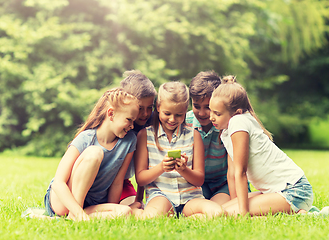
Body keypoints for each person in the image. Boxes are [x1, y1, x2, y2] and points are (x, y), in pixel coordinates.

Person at [209, 75, 313, 217]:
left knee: (219, 215)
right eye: (211, 111)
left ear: (237, 112)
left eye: (217, 113)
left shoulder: (238, 122)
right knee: (218, 211)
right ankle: (297, 213)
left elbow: (241, 172)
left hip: (294, 191)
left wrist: (242, 214)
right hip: (276, 191)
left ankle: (299, 212)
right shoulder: (227, 131)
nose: (211, 117)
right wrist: (236, 206)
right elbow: (232, 174)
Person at [43, 88, 140, 221]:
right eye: (129, 119)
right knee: (95, 153)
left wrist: (112, 207)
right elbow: (58, 183)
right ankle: (76, 214)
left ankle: (77, 217)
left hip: (93, 204)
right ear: (111, 113)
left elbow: (117, 183)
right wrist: (77, 210)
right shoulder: (86, 138)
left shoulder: (129, 141)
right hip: (64, 201)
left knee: (125, 212)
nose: (132, 126)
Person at [134, 81, 224, 219]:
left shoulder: (194, 135)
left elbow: (199, 180)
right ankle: (174, 215)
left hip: (190, 197)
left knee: (217, 212)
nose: (172, 119)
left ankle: (187, 217)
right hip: (161, 195)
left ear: (185, 110)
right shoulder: (145, 136)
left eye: (179, 115)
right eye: (167, 113)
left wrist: (183, 170)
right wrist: (161, 167)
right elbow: (140, 179)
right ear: (158, 107)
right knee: (150, 217)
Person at [186, 71, 231, 205]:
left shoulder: (227, 124)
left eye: (207, 107)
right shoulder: (184, 123)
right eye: (196, 106)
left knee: (218, 208)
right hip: (197, 185)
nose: (201, 113)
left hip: (225, 183)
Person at [119, 70, 157, 208]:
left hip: (123, 183)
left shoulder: (151, 123)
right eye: (140, 108)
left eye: (150, 107)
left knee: (136, 208)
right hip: (104, 181)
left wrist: (139, 199)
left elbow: (144, 166)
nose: (145, 114)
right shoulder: (120, 126)